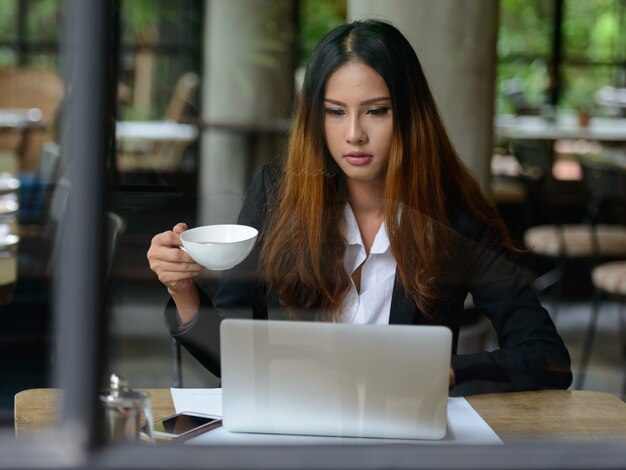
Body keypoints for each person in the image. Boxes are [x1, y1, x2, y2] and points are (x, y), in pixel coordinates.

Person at [147, 19, 572, 393]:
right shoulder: (275, 197)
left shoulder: (454, 216)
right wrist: (182, 290)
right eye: (335, 112)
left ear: (408, 115)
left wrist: (444, 373)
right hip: (288, 428)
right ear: (317, 118)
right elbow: (230, 357)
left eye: (376, 112)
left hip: (398, 436)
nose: (354, 134)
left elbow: (546, 356)